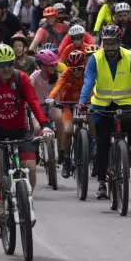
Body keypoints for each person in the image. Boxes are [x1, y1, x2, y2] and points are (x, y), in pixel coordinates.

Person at [0, 44, 54, 221]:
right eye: (1, 65)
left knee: (31, 168)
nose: (6, 69)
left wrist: (45, 125)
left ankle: (27, 199)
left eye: (9, 64)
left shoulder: (22, 78)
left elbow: (34, 102)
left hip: (20, 128)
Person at [78, 24, 131, 199]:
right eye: (107, 43)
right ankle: (101, 183)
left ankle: (125, 148)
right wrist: (83, 101)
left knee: (129, 123)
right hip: (102, 104)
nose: (110, 47)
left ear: (119, 42)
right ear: (102, 43)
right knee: (103, 142)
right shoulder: (95, 59)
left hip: (125, 102)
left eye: (113, 43)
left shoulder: (129, 57)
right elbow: (89, 81)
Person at [47, 49, 87, 177]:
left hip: (84, 105)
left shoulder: (88, 73)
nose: (76, 71)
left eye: (79, 68)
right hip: (68, 105)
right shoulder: (66, 73)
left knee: (92, 121)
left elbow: (94, 86)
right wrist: (51, 97)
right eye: (73, 68)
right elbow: (58, 85)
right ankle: (67, 160)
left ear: (84, 66)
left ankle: (92, 148)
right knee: (68, 131)